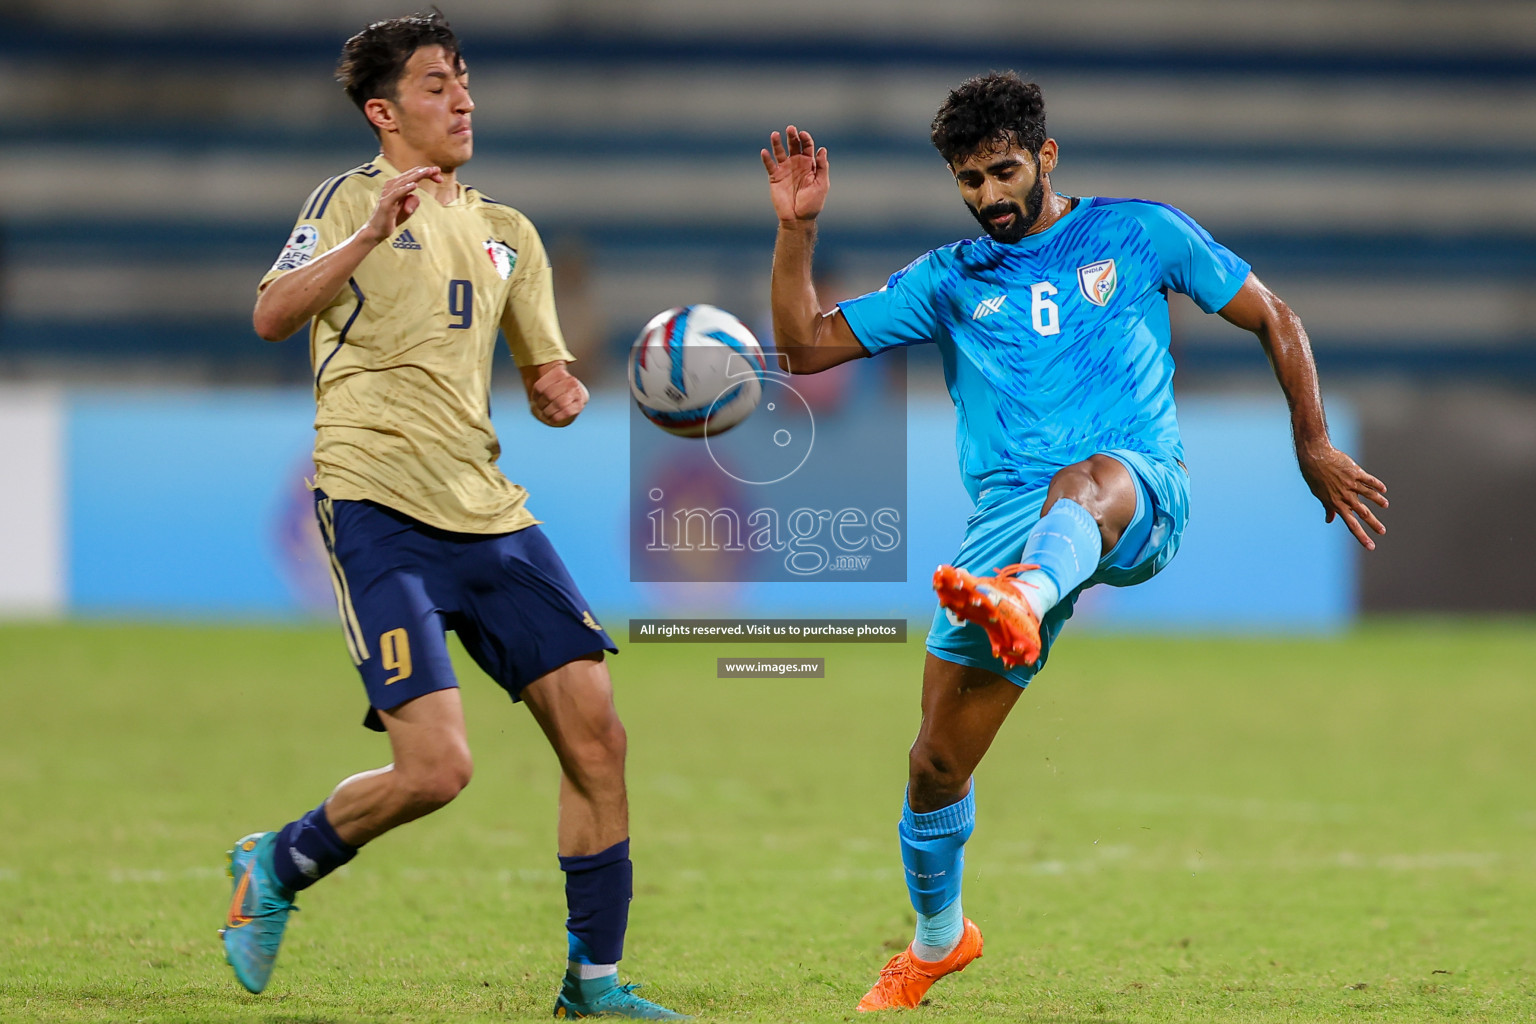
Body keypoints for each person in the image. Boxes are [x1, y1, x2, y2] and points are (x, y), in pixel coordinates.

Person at [761, 72, 1388, 1012]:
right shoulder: (950, 278)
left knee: (1086, 481)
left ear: (1046, 157)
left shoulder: (1138, 233)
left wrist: (1312, 442)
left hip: (1137, 489)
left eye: (1004, 172)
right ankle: (939, 941)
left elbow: (1275, 316)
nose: (990, 198)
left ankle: (1027, 595)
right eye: (970, 182)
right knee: (934, 764)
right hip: (1006, 529)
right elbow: (805, 349)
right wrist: (798, 230)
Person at [224, 13, 686, 1019]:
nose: (463, 98)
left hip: (490, 511)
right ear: (385, 113)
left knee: (598, 736)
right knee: (436, 768)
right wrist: (364, 236)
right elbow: (269, 314)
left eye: (465, 79)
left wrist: (565, 392)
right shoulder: (344, 200)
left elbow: (551, 379)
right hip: (376, 500)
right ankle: (277, 861)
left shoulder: (509, 233)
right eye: (437, 85)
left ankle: (594, 983)